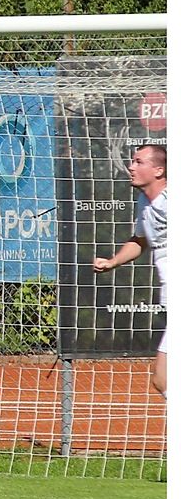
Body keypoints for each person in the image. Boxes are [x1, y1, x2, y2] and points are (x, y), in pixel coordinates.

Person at [93, 144, 167, 397]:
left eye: (138, 162)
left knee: (164, 379)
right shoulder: (144, 202)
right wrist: (113, 262)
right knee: (163, 380)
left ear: (158, 170)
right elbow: (139, 241)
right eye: (131, 161)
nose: (131, 167)